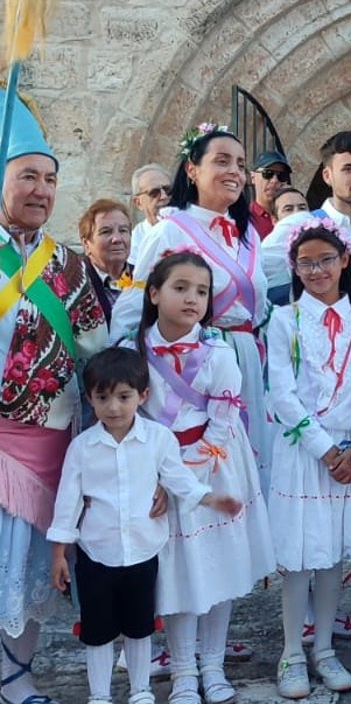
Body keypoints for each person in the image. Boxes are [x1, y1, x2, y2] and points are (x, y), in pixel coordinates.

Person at [47, 348, 241, 704]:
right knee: (98, 632)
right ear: (90, 398)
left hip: (142, 553)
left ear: (143, 396)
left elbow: (179, 480)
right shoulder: (82, 448)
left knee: (139, 628)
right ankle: (100, 697)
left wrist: (211, 499)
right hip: (96, 556)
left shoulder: (158, 440)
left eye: (124, 397)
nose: (114, 408)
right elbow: (68, 501)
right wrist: (59, 553)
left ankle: (141, 693)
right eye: (102, 398)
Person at [124, 250, 274, 704]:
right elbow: (133, 418)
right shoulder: (135, 352)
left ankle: (213, 664)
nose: (193, 298)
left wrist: (191, 476)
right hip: (156, 474)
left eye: (202, 291)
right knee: (176, 572)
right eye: (181, 288)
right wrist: (163, 477)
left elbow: (224, 419)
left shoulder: (218, 352)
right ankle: (184, 669)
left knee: (218, 565)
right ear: (154, 293)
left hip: (214, 465)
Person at [0, 95, 108, 704]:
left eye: (49, 179)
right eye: (27, 177)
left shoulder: (67, 262)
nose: (41, 190)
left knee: (32, 571)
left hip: (48, 444)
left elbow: (97, 349)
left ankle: (15, 676)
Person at [111, 128, 273, 491]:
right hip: (188, 366)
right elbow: (133, 306)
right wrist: (119, 371)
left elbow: (259, 311)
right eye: (221, 161)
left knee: (236, 470)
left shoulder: (248, 236)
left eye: (241, 164)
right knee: (194, 464)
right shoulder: (170, 231)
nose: (234, 171)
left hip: (244, 361)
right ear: (192, 170)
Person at [266, 219, 351, 699]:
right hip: (304, 452)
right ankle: (292, 650)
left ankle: (325, 646)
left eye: (327, 260)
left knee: (332, 554)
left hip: (350, 453)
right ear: (295, 267)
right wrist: (325, 449)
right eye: (307, 262)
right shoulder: (284, 320)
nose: (318, 270)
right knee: (299, 556)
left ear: (344, 261)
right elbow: (282, 393)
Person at [264, 132, 351, 313]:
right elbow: (257, 279)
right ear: (327, 175)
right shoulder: (298, 225)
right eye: (348, 169)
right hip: (312, 336)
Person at [78, 199, 134, 327]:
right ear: (86, 244)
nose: (117, 239)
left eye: (123, 230)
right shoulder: (75, 282)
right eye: (106, 231)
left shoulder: (143, 277)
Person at [129, 163, 172, 267]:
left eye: (168, 190)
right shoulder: (134, 242)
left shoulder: (190, 229)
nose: (163, 196)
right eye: (154, 192)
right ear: (138, 203)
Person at [249, 150, 291, 239]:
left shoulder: (293, 216)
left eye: (282, 175)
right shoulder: (244, 220)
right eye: (267, 173)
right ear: (253, 177)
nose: (275, 180)